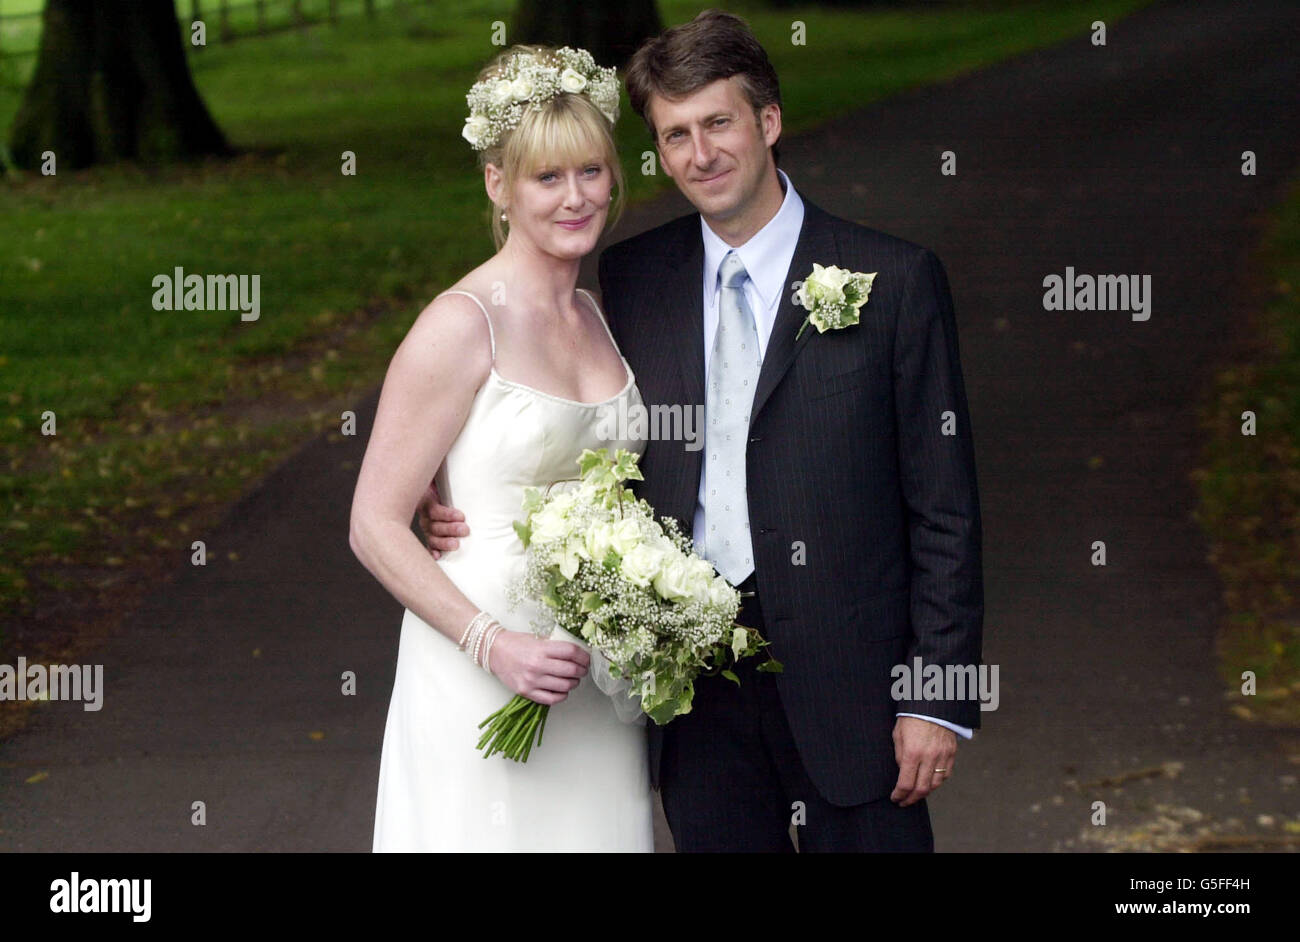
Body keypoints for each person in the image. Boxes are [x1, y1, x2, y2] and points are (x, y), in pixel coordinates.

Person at [422, 10, 984, 853]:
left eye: (718, 122)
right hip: (692, 687)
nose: (700, 154)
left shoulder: (893, 280)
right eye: (675, 134)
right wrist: (452, 485)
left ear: (768, 121)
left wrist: (934, 695)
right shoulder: (637, 278)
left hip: (855, 692)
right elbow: (584, 429)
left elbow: (946, 509)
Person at [349, 44, 653, 852]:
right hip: (478, 666)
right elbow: (374, 524)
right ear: (498, 185)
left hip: (593, 674)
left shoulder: (598, 313)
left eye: (591, 171)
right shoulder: (460, 324)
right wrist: (495, 644)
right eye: (547, 178)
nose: (576, 197)